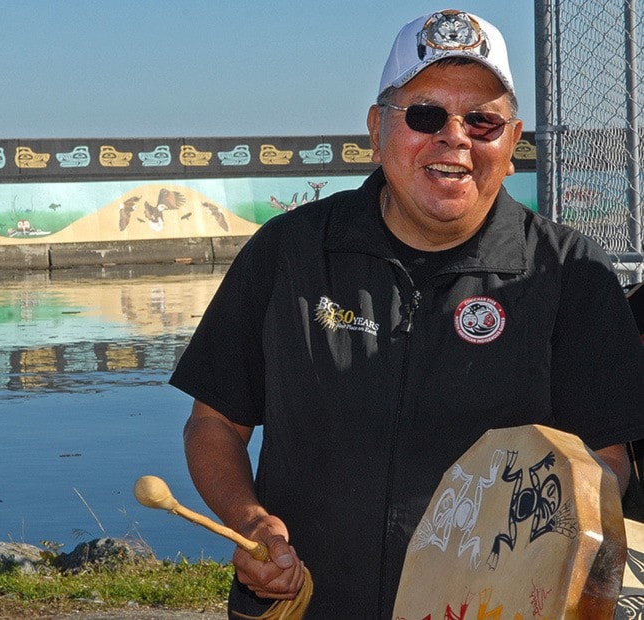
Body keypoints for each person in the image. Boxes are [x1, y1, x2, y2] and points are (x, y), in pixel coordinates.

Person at [170, 9, 644, 619]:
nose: (455, 138)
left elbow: (604, 464)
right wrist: (250, 521)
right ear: (376, 128)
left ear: (513, 138)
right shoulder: (288, 251)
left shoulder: (571, 274)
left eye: (483, 120)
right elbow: (214, 423)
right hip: (302, 606)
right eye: (425, 115)